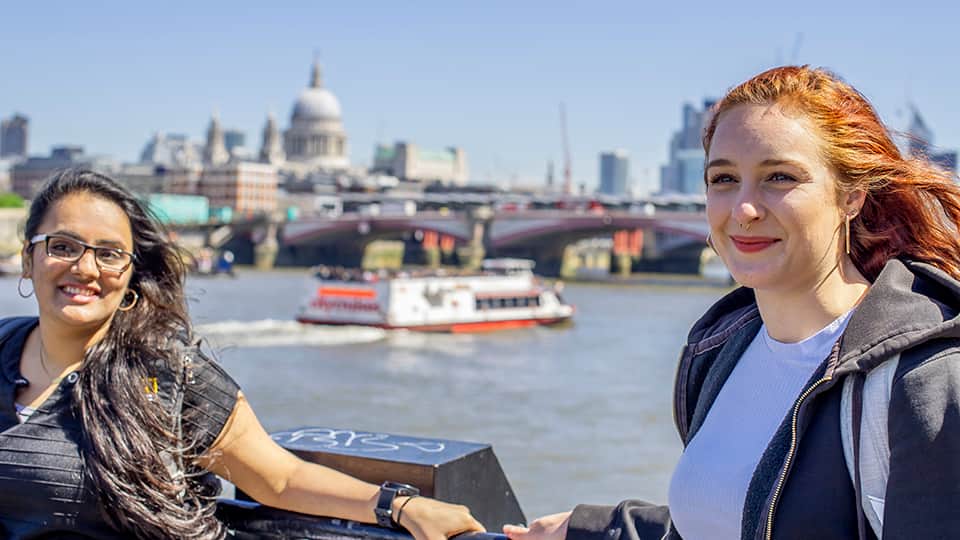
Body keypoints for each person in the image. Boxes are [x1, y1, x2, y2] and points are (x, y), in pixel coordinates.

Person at [504, 65, 960, 540]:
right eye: (723, 179)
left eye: (779, 177)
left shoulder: (922, 379)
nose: (743, 209)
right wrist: (594, 529)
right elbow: (730, 519)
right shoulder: (721, 347)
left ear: (851, 197)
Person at [2, 169, 485, 540]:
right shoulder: (4, 347)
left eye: (109, 254)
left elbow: (278, 477)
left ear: (130, 274)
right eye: (62, 246)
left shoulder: (164, 376)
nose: (85, 267)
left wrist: (399, 507)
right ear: (29, 259)